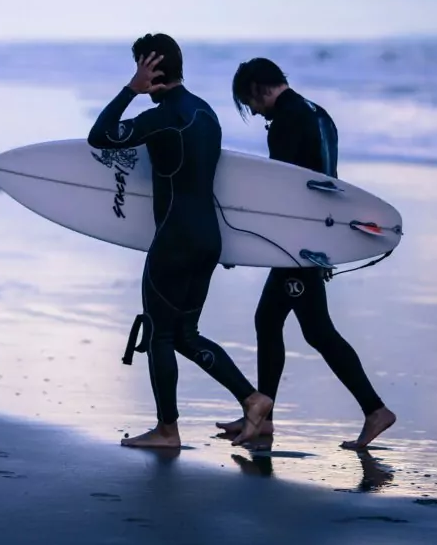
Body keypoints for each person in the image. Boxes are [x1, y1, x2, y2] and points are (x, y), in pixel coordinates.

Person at [87, 34, 273, 448]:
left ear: (149, 69)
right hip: (209, 238)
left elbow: (100, 136)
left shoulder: (163, 116)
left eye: (139, 68)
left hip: (174, 239)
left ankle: (167, 430)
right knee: (186, 333)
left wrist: (130, 91)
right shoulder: (206, 113)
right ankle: (252, 398)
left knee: (160, 335)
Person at [217, 57, 396, 450]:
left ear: (259, 89)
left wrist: (244, 244)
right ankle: (262, 417)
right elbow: (327, 182)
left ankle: (374, 409)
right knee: (271, 321)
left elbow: (283, 196)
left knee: (316, 331)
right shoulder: (318, 114)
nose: (255, 112)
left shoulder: (285, 123)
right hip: (316, 237)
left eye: (251, 104)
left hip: (297, 245)